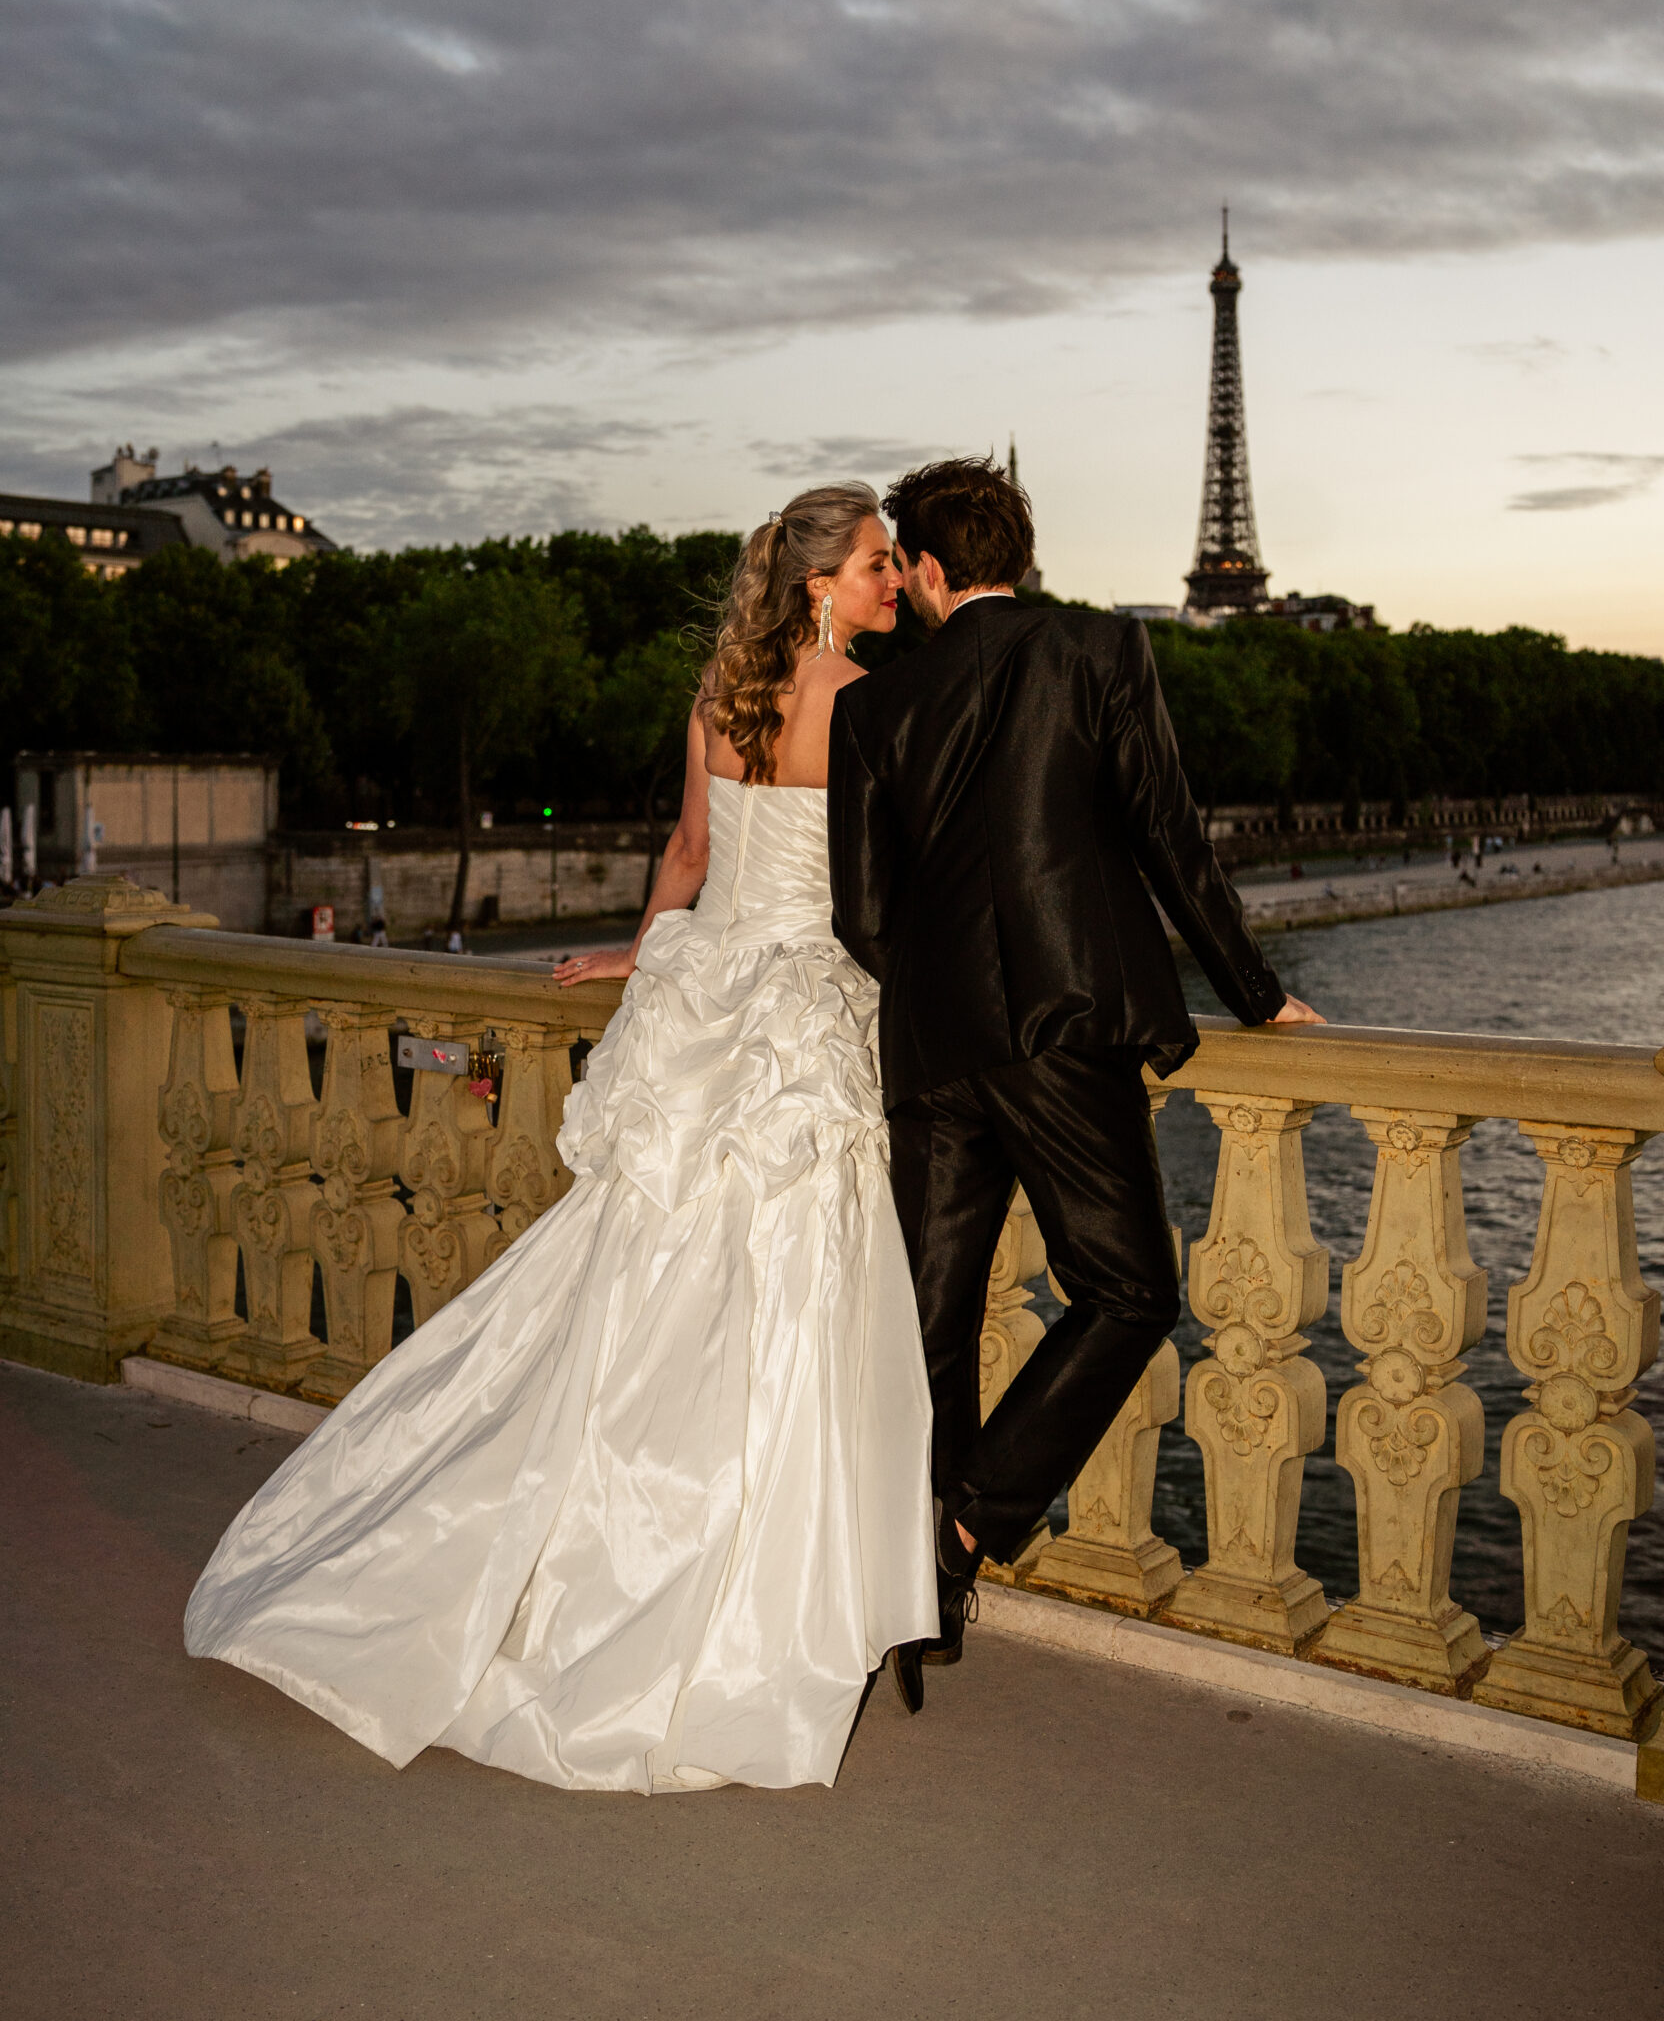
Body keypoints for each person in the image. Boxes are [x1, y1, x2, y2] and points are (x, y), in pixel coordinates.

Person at [184, 483, 937, 1792]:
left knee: (640, 1280)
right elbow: (895, 879)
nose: (891, 583)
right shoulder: (867, 701)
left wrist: (646, 964)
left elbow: (692, 850)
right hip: (802, 1008)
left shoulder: (720, 692)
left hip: (711, 995)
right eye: (876, 564)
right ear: (821, 583)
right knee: (789, 1291)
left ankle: (597, 1535)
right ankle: (753, 1570)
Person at [828, 457, 1321, 1662]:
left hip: (935, 1045)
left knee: (932, 1322)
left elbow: (861, 914)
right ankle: (969, 1524)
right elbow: (1169, 840)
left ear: (932, 570)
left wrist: (943, 989)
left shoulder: (871, 707)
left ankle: (918, 1597)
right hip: (1063, 1027)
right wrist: (1256, 994)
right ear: (1022, 557)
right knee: (1132, 1287)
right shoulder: (1102, 652)